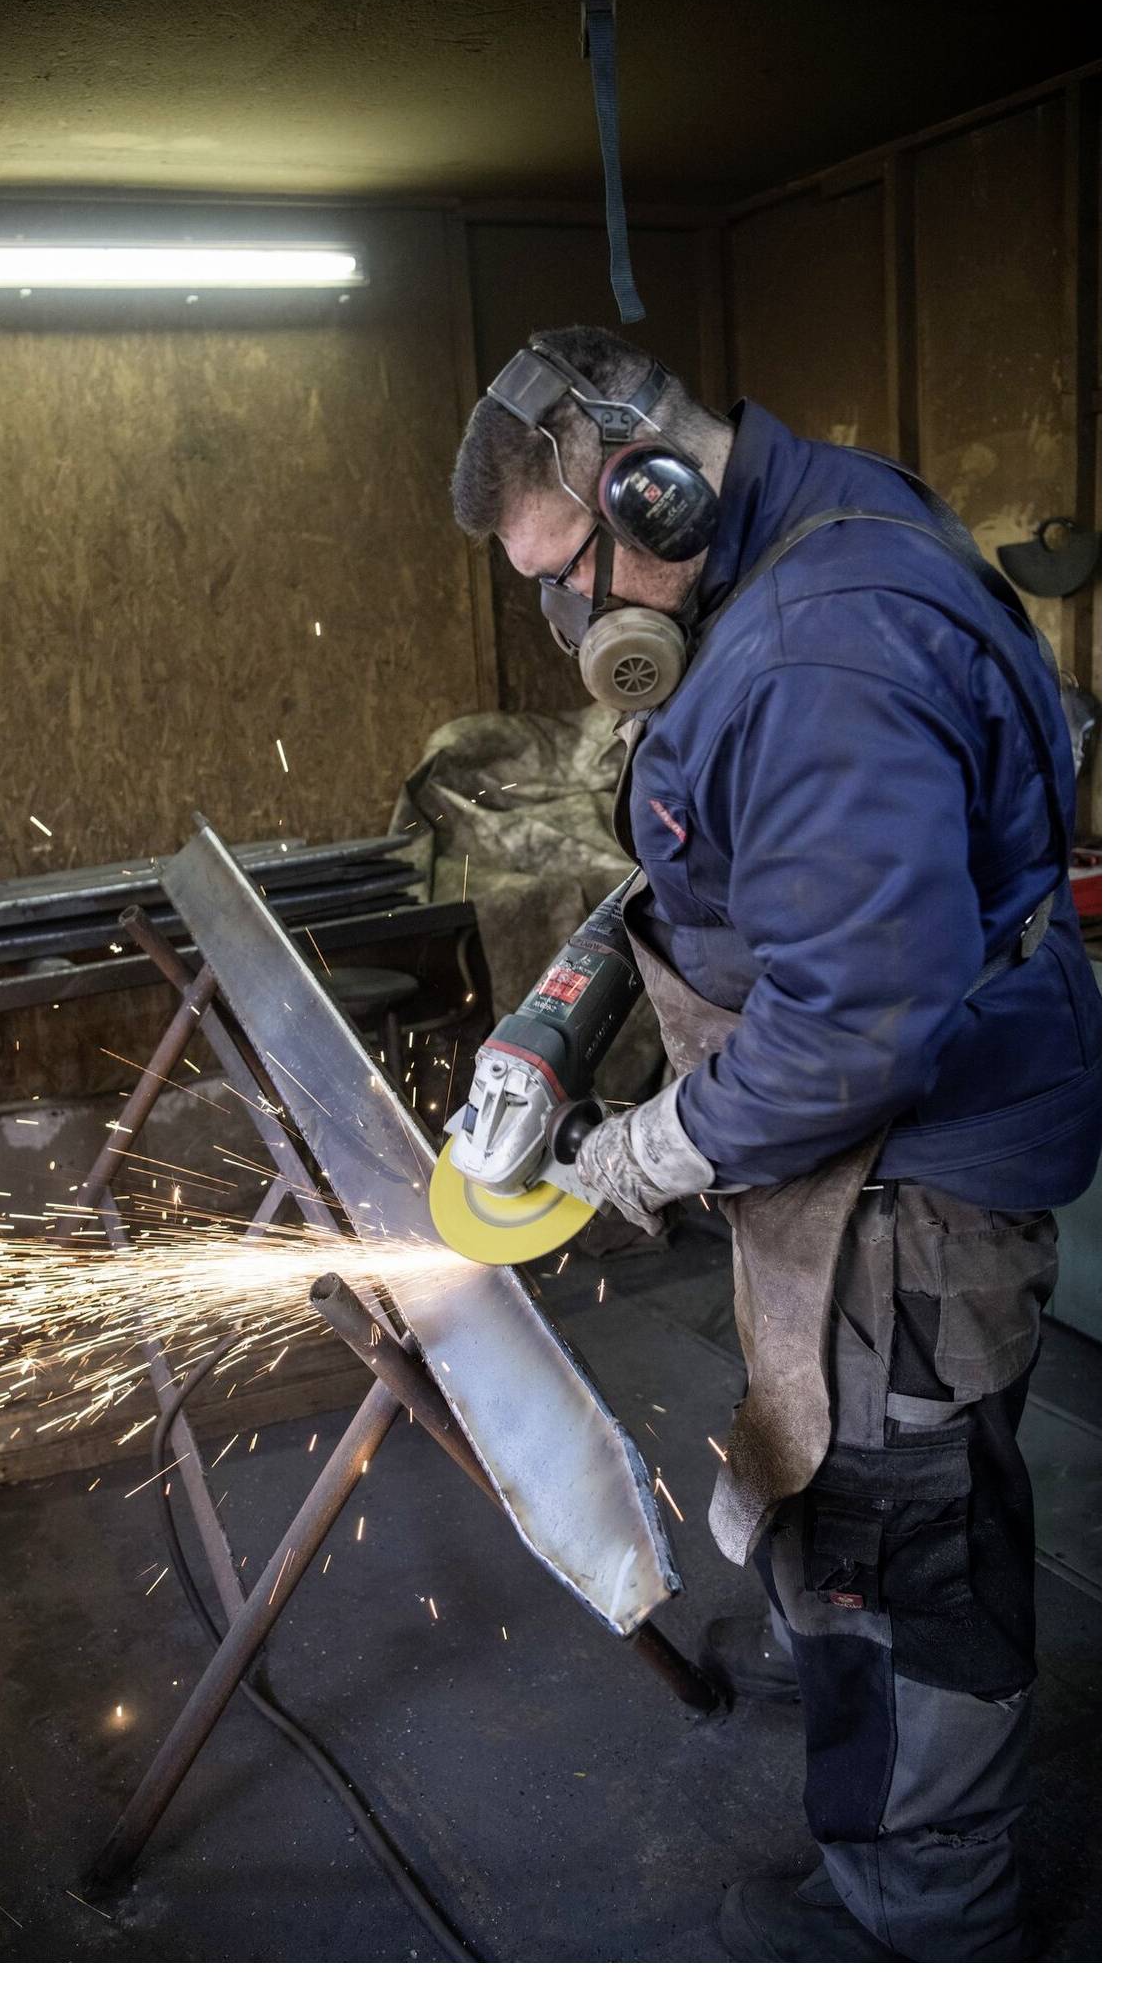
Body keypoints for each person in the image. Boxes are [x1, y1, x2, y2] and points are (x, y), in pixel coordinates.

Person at [450, 325, 1100, 1963]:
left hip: (912, 1189)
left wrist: (647, 1152)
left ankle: (922, 1932)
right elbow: (765, 863)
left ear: (654, 494)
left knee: (902, 1559)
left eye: (571, 570)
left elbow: (860, 1023)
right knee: (871, 1523)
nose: (572, 619)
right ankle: (886, 1850)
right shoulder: (816, 519)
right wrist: (593, 975)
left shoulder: (820, 659)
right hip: (881, 1161)